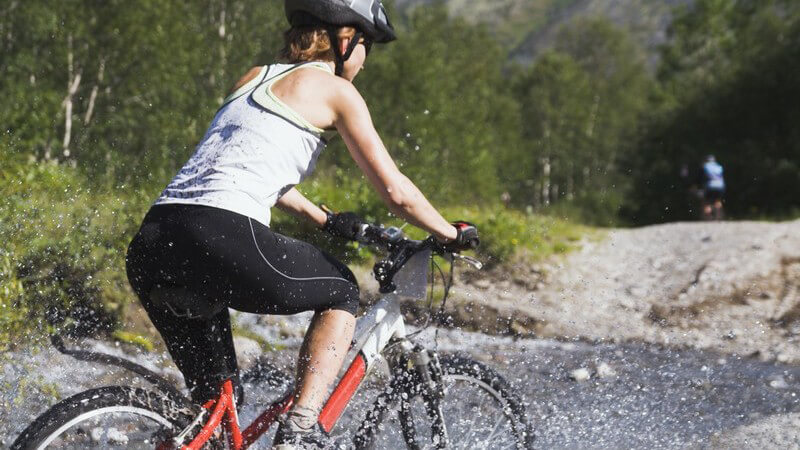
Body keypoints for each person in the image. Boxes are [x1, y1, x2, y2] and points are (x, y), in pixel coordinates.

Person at [124, 0, 478, 448]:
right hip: (221, 232)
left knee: (214, 412)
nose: (366, 58)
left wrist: (326, 219)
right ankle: (301, 430)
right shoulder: (337, 91)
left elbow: (253, 169)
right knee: (341, 291)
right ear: (344, 39)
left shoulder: (253, 77)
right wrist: (452, 233)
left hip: (155, 238)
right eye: (366, 44)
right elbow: (396, 192)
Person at [696, 154, 725, 220]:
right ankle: (718, 215)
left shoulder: (705, 166)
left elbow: (699, 178)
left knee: (707, 202)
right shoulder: (718, 166)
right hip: (720, 186)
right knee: (717, 200)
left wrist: (698, 187)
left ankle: (709, 218)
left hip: (710, 186)